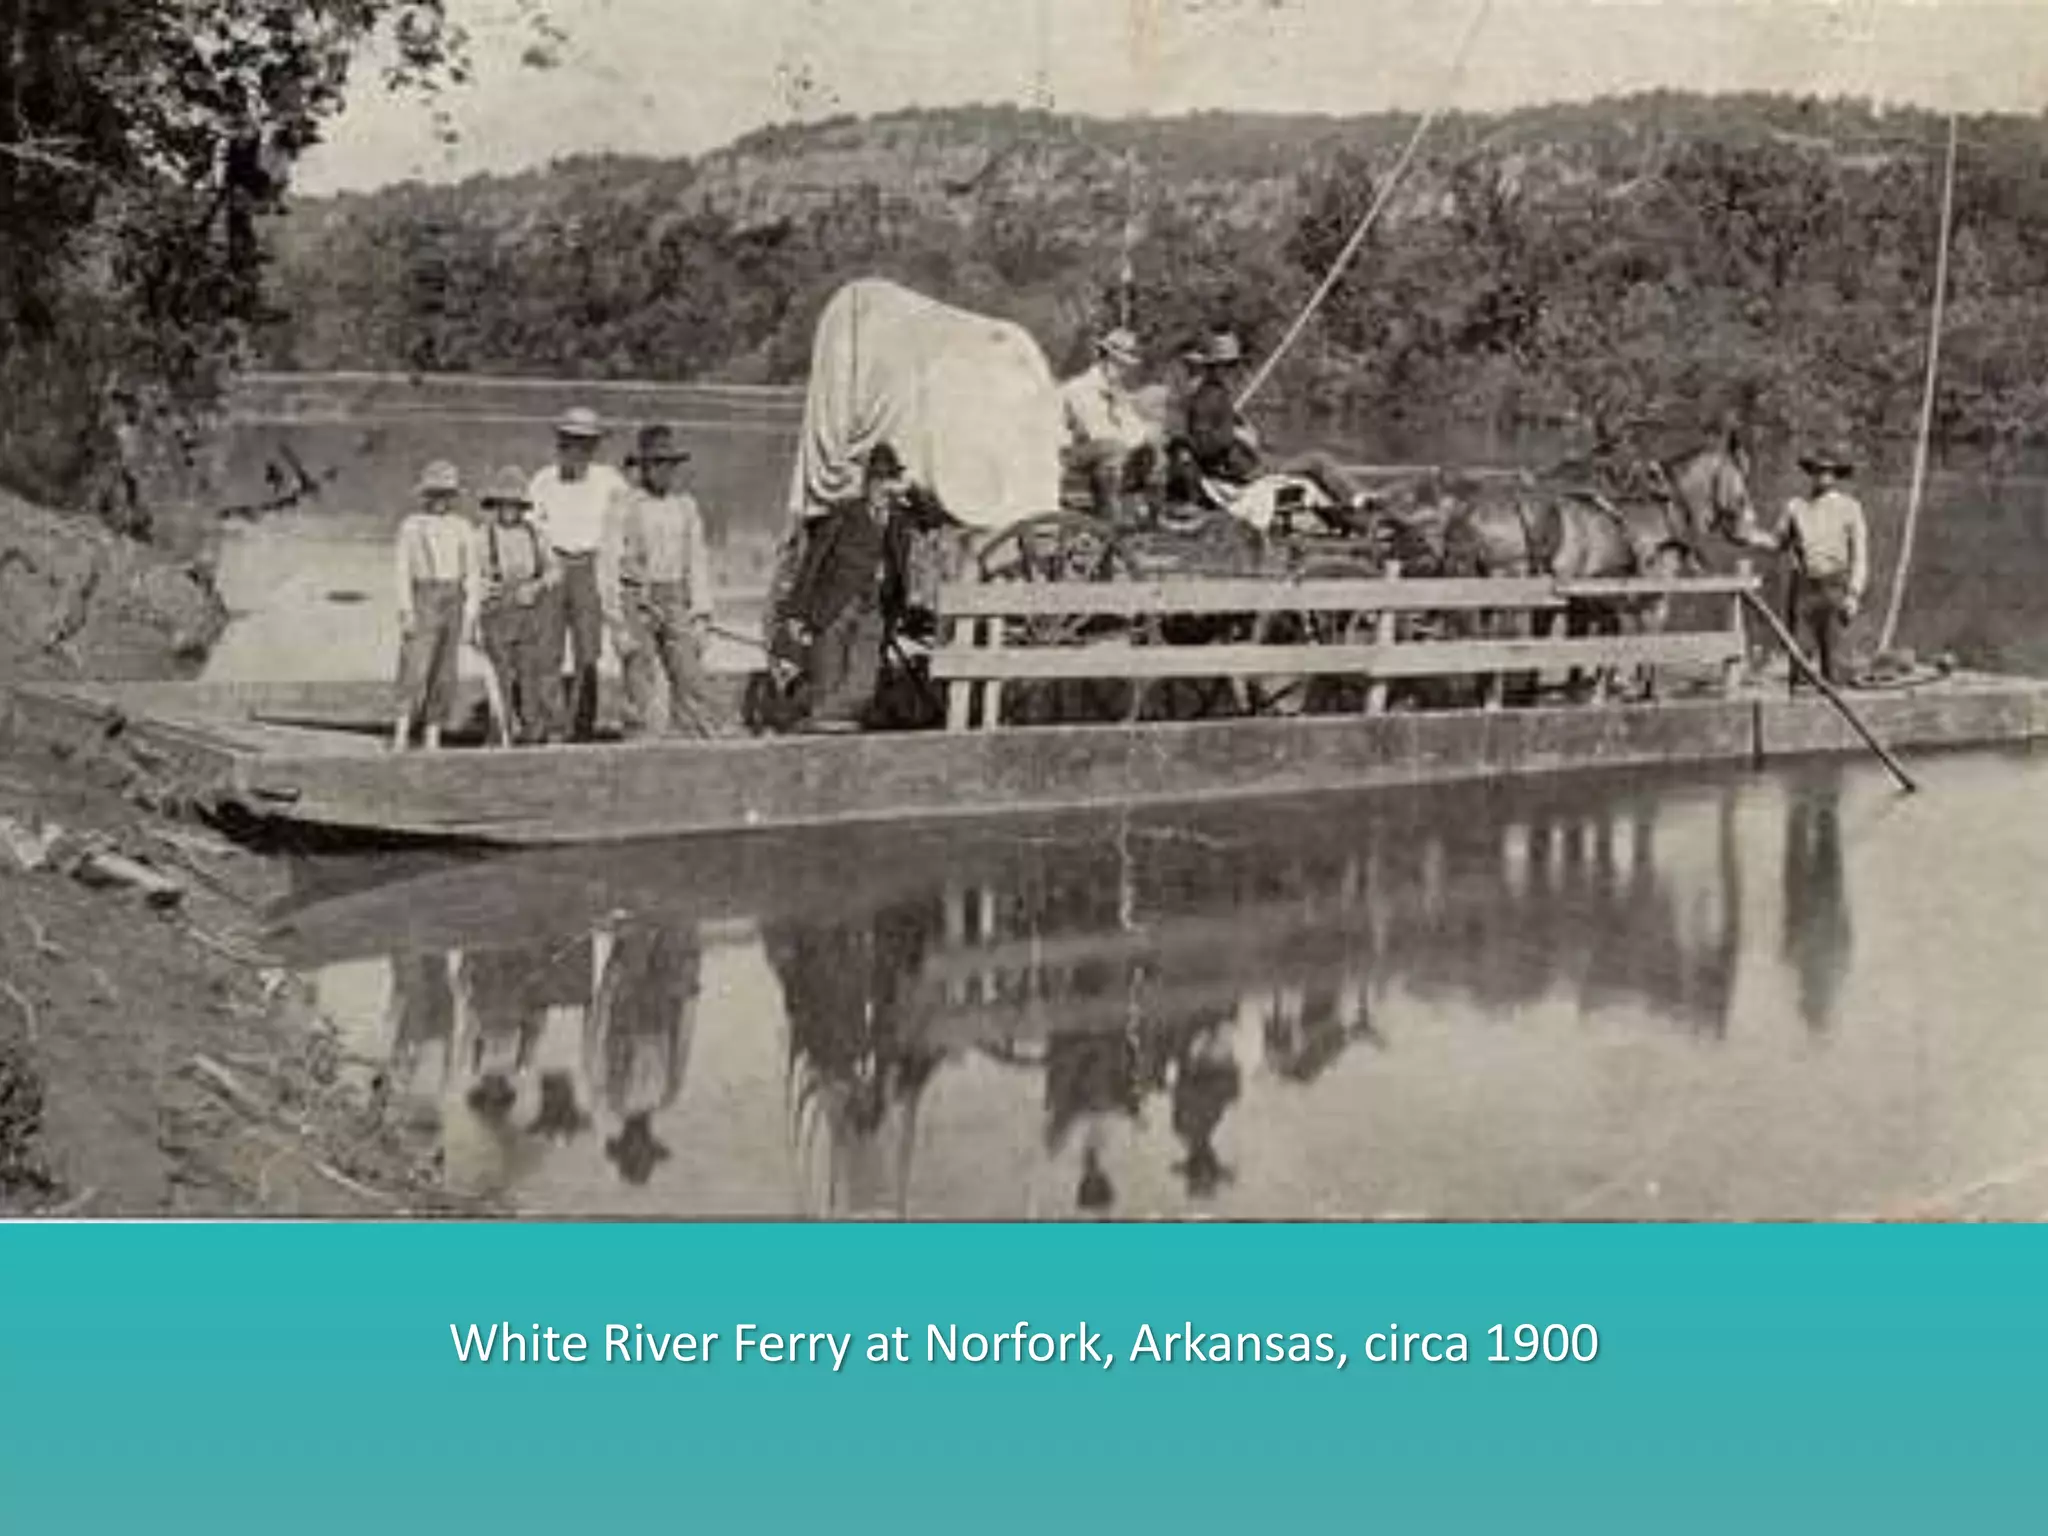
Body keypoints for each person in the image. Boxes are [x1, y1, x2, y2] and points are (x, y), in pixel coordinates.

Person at [599, 424, 720, 739]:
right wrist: (617, 624)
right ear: (642, 467)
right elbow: (609, 564)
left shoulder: (686, 506)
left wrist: (702, 614)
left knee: (689, 674)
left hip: (675, 596)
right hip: (636, 599)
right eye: (656, 463)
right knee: (639, 674)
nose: (663, 471)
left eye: (669, 464)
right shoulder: (624, 505)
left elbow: (697, 560)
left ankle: (697, 741)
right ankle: (641, 743)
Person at [776, 442, 905, 733]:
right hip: (834, 609)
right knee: (828, 682)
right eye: (877, 479)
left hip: (873, 612)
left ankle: (808, 718)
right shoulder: (843, 514)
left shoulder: (898, 521)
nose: (883, 487)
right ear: (867, 482)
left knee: (863, 688)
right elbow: (812, 564)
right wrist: (797, 613)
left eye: (889, 480)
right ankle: (815, 718)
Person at [529, 407, 630, 742]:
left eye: (587, 444)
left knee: (589, 653)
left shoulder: (609, 480)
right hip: (554, 567)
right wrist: (548, 563)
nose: (578, 451)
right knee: (547, 651)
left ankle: (581, 728)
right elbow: (534, 529)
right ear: (560, 443)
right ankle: (552, 726)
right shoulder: (543, 481)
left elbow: (628, 521)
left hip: (591, 569)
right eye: (571, 443)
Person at [1751, 443, 1869, 687]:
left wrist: (1854, 595)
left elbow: (1860, 556)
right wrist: (1745, 535)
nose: (1822, 475)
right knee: (1800, 667)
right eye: (1817, 470)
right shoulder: (1795, 506)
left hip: (1835, 589)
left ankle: (1834, 709)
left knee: (1836, 670)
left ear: (1836, 475)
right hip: (1803, 591)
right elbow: (1776, 543)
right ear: (1811, 473)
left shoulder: (1851, 507)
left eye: (1828, 470)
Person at [469, 467, 560, 746]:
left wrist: (537, 586)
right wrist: (485, 587)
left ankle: (534, 731)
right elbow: (472, 573)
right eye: (504, 503)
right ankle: (502, 730)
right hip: (497, 611)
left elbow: (555, 570)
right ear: (496, 505)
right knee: (500, 675)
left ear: (523, 506)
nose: (510, 510)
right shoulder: (482, 536)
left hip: (529, 611)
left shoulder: (536, 534)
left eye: (515, 504)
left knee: (530, 674)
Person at [392, 459, 475, 752]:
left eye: (446, 495)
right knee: (415, 665)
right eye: (435, 494)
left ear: (453, 498)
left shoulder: (462, 526)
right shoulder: (411, 526)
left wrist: (471, 614)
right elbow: (402, 569)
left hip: (453, 595)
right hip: (423, 593)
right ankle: (402, 730)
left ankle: (433, 731)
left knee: (445, 670)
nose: (440, 501)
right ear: (425, 495)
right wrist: (405, 610)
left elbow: (472, 571)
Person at [1060, 327, 1159, 523]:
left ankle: (1139, 510)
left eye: (1125, 367)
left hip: (1100, 454)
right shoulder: (1082, 388)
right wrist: (1132, 434)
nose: (1122, 372)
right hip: (1068, 454)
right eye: (1118, 365)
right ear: (1103, 360)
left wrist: (1145, 435)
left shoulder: (1114, 391)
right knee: (1113, 448)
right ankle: (1108, 518)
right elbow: (1098, 434)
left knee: (1149, 446)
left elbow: (1136, 430)